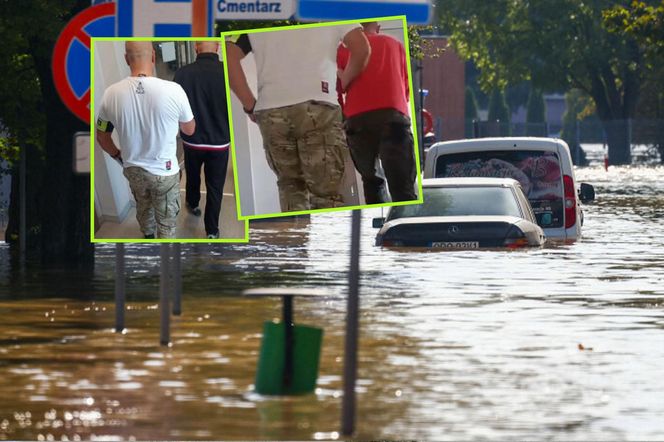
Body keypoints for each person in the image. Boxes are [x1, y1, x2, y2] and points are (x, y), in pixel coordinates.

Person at [225, 24, 371, 212]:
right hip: (319, 107)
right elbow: (361, 48)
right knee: (326, 194)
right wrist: (344, 79)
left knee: (290, 186)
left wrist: (249, 104)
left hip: (272, 111)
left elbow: (229, 55)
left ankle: (297, 239)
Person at [96, 41, 195, 239]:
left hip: (133, 169)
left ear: (126, 59)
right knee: (166, 221)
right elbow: (189, 130)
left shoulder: (110, 94)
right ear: (153, 57)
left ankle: (148, 237)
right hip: (165, 171)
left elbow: (102, 136)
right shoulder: (174, 90)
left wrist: (118, 155)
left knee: (143, 206)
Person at [337, 22, 417, 204]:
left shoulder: (342, 51)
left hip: (357, 119)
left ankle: (377, 225)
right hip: (393, 115)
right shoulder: (395, 45)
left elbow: (338, 88)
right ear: (378, 27)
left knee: (372, 180)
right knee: (402, 186)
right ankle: (406, 225)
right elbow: (406, 88)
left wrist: (344, 116)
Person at [174, 41, 231, 239]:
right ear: (217, 47)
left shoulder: (182, 74)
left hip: (191, 140)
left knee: (193, 174)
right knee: (215, 187)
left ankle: (192, 202)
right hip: (220, 142)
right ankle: (212, 231)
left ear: (196, 47)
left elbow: (175, 109)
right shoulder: (229, 72)